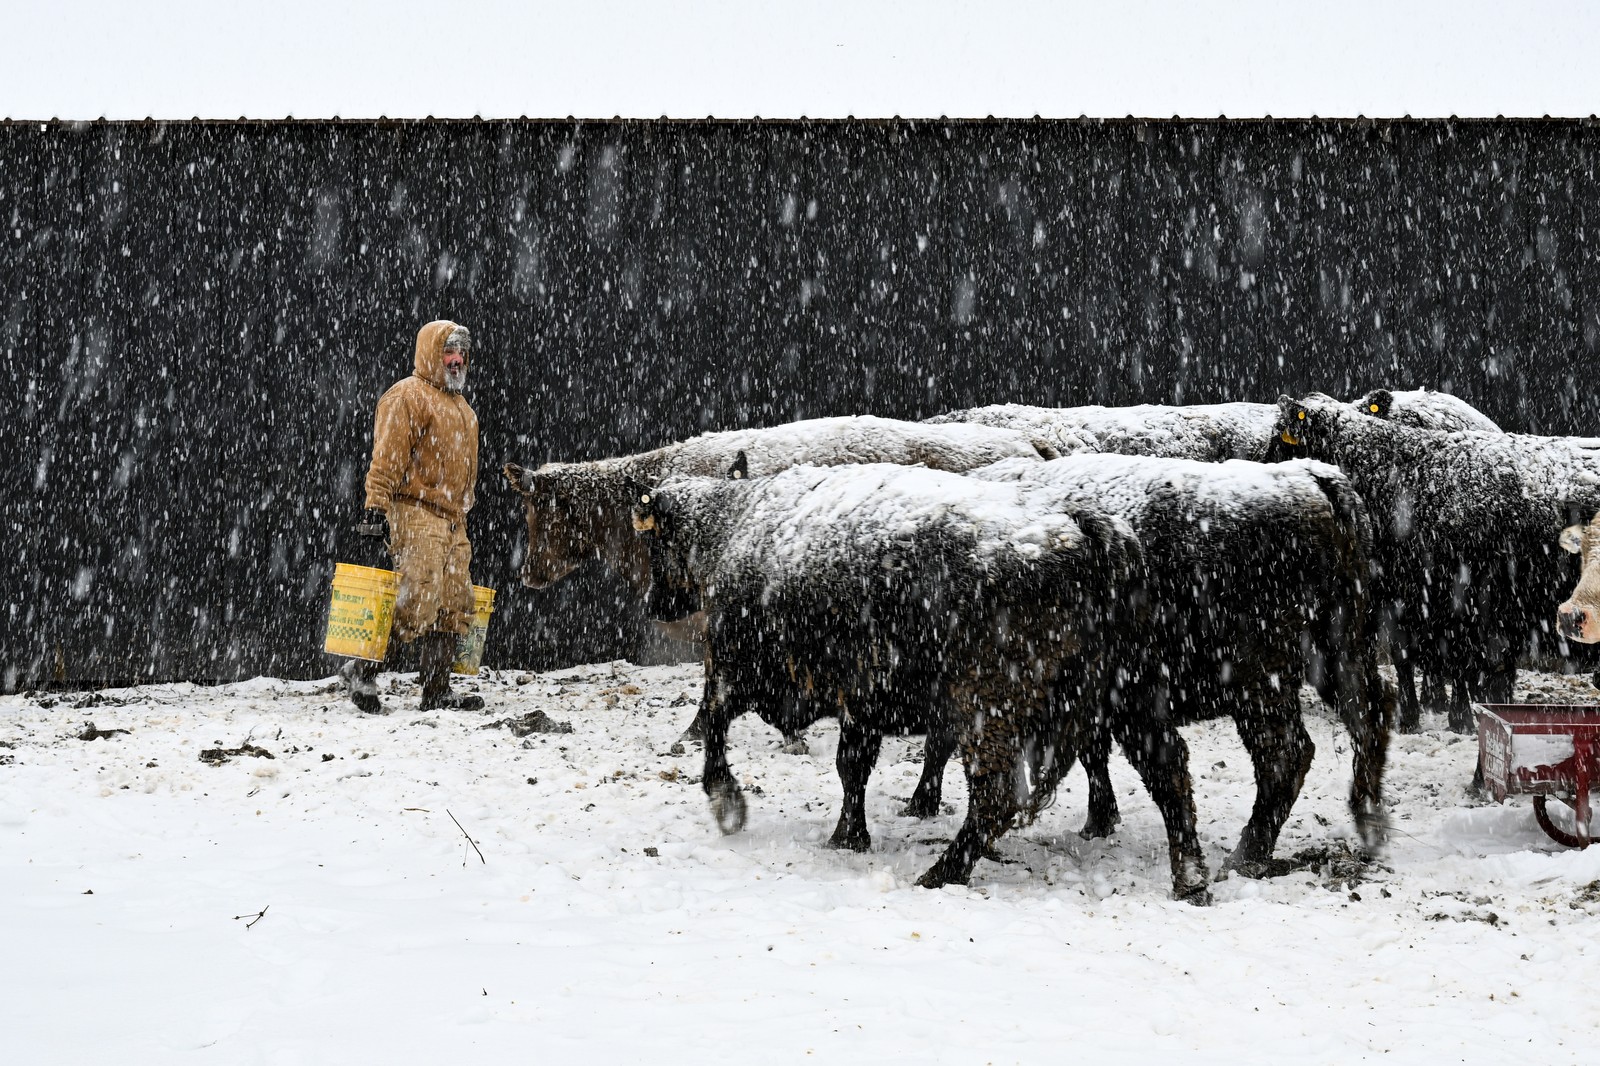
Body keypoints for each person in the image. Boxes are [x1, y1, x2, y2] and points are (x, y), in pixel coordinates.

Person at [340, 320, 484, 713]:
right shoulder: (406, 396)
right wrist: (376, 505)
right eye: (447, 352)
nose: (456, 361)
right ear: (430, 353)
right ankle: (361, 669)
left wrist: (462, 515)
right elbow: (385, 458)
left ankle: (437, 691)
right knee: (414, 597)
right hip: (414, 511)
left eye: (461, 354)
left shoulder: (465, 412)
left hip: (454, 519)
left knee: (454, 605)